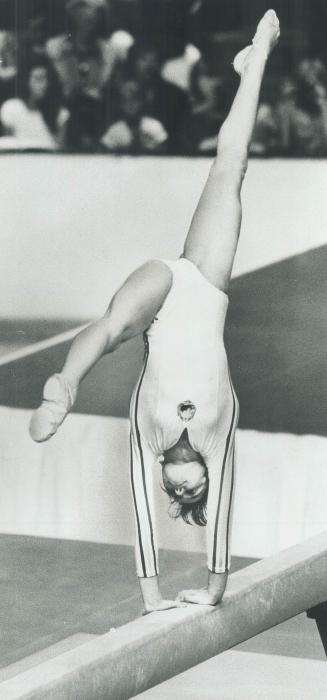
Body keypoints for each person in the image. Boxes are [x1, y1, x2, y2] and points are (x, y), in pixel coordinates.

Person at [30, 11, 280, 614]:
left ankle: (64, 384)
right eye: (194, 488)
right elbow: (220, 513)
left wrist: (153, 595)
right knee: (232, 165)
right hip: (206, 282)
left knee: (115, 327)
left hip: (162, 301)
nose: (184, 484)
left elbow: (142, 511)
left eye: (179, 491)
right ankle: (255, 64)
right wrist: (216, 585)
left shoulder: (148, 438)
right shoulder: (221, 434)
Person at [0, 57, 68, 151]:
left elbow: (60, 152)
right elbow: (7, 146)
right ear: (26, 81)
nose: (43, 84)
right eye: (38, 79)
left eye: (46, 79)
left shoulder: (59, 114)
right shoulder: (12, 109)